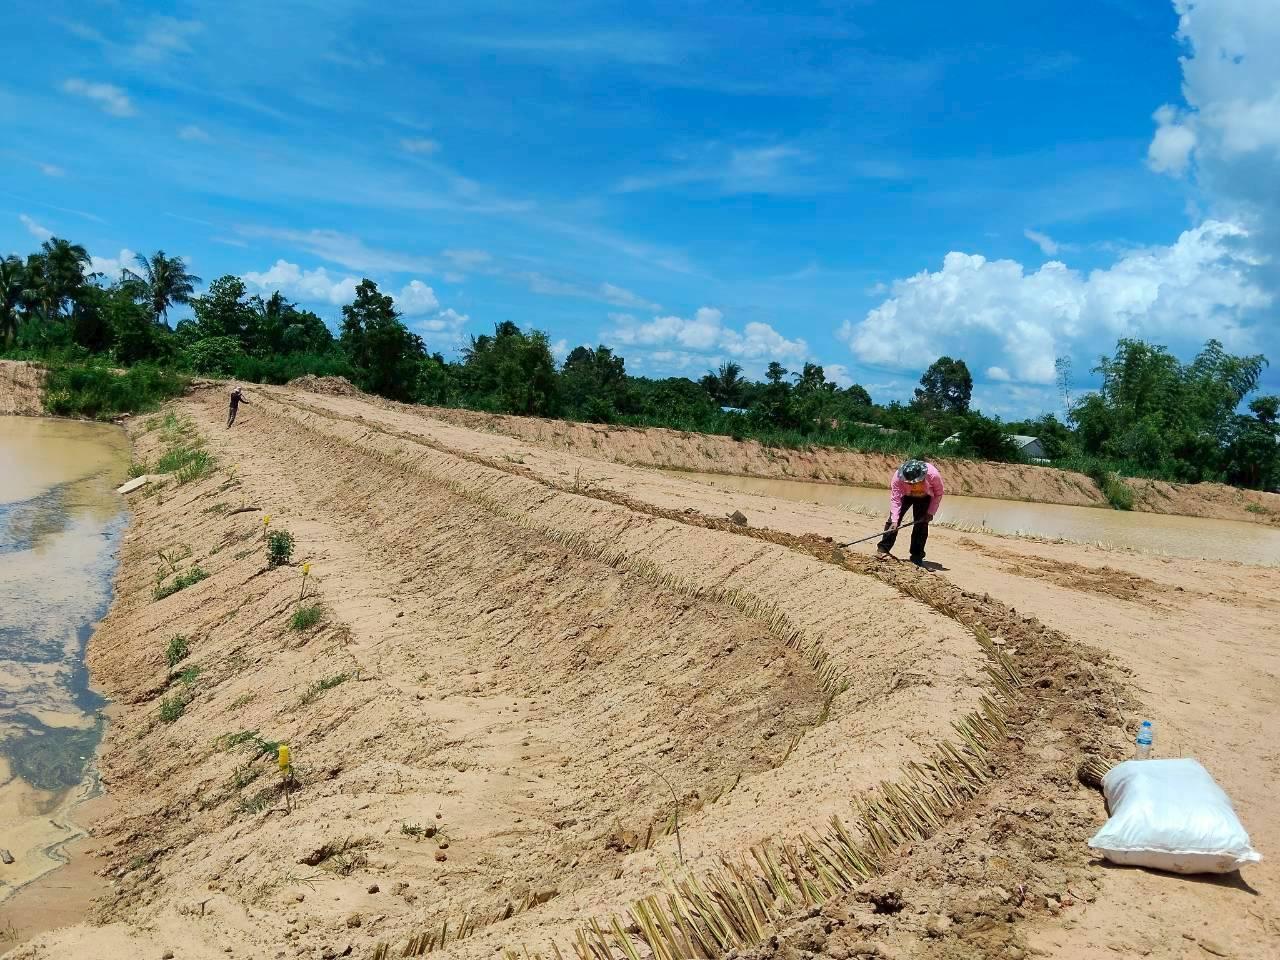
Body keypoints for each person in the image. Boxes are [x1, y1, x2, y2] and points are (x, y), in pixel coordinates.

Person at [877, 459, 943, 566]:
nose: (914, 485)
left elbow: (938, 493)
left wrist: (931, 512)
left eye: (916, 482)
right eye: (910, 483)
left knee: (921, 524)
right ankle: (883, 550)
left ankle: (917, 556)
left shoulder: (933, 475)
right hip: (905, 495)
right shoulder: (898, 478)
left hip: (924, 496)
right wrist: (894, 521)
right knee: (893, 522)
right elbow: (895, 499)